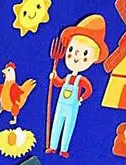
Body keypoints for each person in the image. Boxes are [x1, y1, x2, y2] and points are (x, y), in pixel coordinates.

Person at [46, 15, 109, 157]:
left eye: (84, 53)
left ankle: (63, 149)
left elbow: (88, 89)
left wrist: (81, 98)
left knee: (68, 127)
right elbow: (59, 83)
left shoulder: (81, 79)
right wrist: (54, 77)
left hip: (72, 106)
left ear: (94, 58)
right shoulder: (67, 77)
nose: (76, 56)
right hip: (61, 104)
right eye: (71, 50)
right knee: (56, 124)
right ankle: (52, 146)